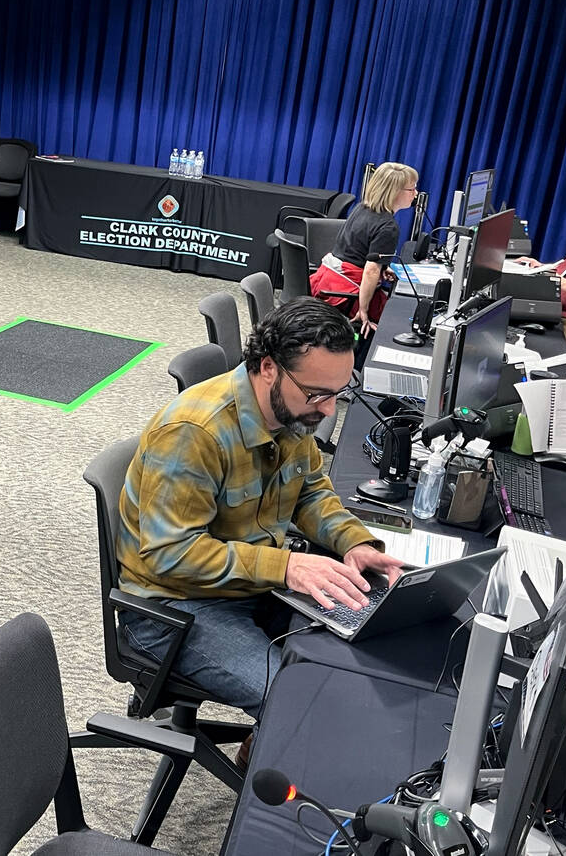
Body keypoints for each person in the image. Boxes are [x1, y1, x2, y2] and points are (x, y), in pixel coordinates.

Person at [116, 298, 405, 717]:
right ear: (268, 367)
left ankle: (263, 741)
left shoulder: (288, 411)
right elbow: (169, 554)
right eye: (317, 394)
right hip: (173, 608)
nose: (327, 411)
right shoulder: (193, 433)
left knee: (368, 647)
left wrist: (355, 542)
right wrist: (285, 566)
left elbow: (310, 492)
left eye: (337, 395)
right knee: (303, 703)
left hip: (247, 585)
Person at [309, 162, 419, 335]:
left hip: (327, 279)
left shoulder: (361, 208)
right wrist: (364, 310)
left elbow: (357, 252)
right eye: (411, 189)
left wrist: (383, 266)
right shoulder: (388, 227)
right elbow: (370, 271)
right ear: (394, 192)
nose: (416, 194)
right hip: (345, 294)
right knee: (401, 321)